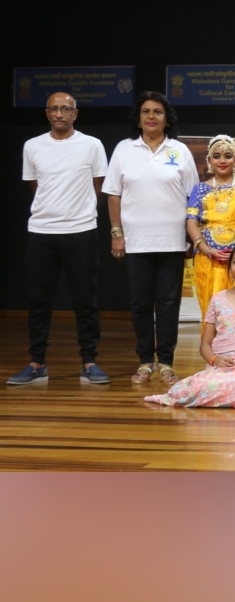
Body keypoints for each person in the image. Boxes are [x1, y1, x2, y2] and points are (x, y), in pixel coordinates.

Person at [10, 91, 110, 387]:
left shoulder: (92, 145)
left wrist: (81, 213)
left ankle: (89, 362)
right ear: (46, 113)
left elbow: (100, 187)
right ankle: (37, 362)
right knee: (39, 301)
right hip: (41, 232)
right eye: (53, 109)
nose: (59, 114)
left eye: (65, 109)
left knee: (85, 301)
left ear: (75, 114)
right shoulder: (32, 146)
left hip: (81, 231)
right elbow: (35, 187)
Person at [104, 90, 199, 386]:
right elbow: (113, 194)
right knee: (141, 304)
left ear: (167, 119)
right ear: (139, 118)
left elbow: (193, 197)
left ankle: (167, 363)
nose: (151, 117)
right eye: (146, 112)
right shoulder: (124, 149)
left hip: (172, 241)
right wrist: (117, 234)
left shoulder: (179, 151)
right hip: (136, 240)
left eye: (157, 112)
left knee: (169, 303)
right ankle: (145, 362)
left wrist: (191, 237)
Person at [143, 243, 235, 408]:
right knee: (188, 388)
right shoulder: (218, 300)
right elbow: (205, 345)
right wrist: (215, 360)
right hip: (220, 368)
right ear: (229, 267)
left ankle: (219, 396)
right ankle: (231, 395)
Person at [185, 135, 235, 321]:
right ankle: (213, 350)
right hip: (208, 258)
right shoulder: (200, 189)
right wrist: (207, 250)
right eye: (216, 156)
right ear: (209, 160)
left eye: (228, 155)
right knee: (212, 310)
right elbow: (191, 223)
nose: (222, 160)